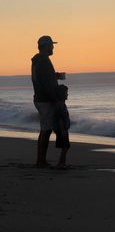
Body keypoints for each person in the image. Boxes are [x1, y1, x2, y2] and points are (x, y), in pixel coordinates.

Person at [31, 35, 68, 168]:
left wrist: (55, 75)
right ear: (46, 46)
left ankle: (41, 160)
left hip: (41, 98)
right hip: (45, 100)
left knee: (45, 129)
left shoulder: (38, 60)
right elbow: (46, 84)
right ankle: (41, 161)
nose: (53, 47)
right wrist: (56, 100)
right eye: (51, 45)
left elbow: (43, 79)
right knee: (46, 130)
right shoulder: (43, 61)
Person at [54, 84, 71, 168]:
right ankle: (61, 163)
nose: (67, 94)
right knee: (65, 146)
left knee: (65, 146)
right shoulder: (60, 105)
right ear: (61, 94)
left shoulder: (61, 104)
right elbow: (59, 118)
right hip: (62, 129)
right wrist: (62, 130)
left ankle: (61, 163)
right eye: (66, 93)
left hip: (63, 129)